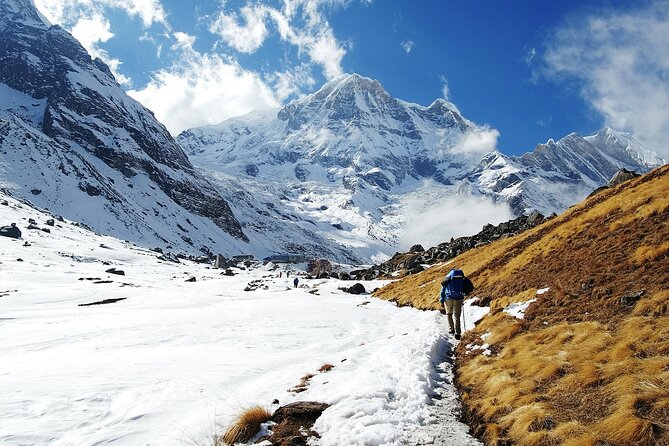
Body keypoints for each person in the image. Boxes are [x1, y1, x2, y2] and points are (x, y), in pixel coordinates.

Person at [439, 268, 474, 340]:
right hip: (458, 298)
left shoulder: (449, 278)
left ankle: (451, 330)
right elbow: (467, 287)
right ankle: (457, 333)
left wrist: (441, 300)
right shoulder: (461, 278)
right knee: (457, 316)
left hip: (448, 298)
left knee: (449, 314)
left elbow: (443, 289)